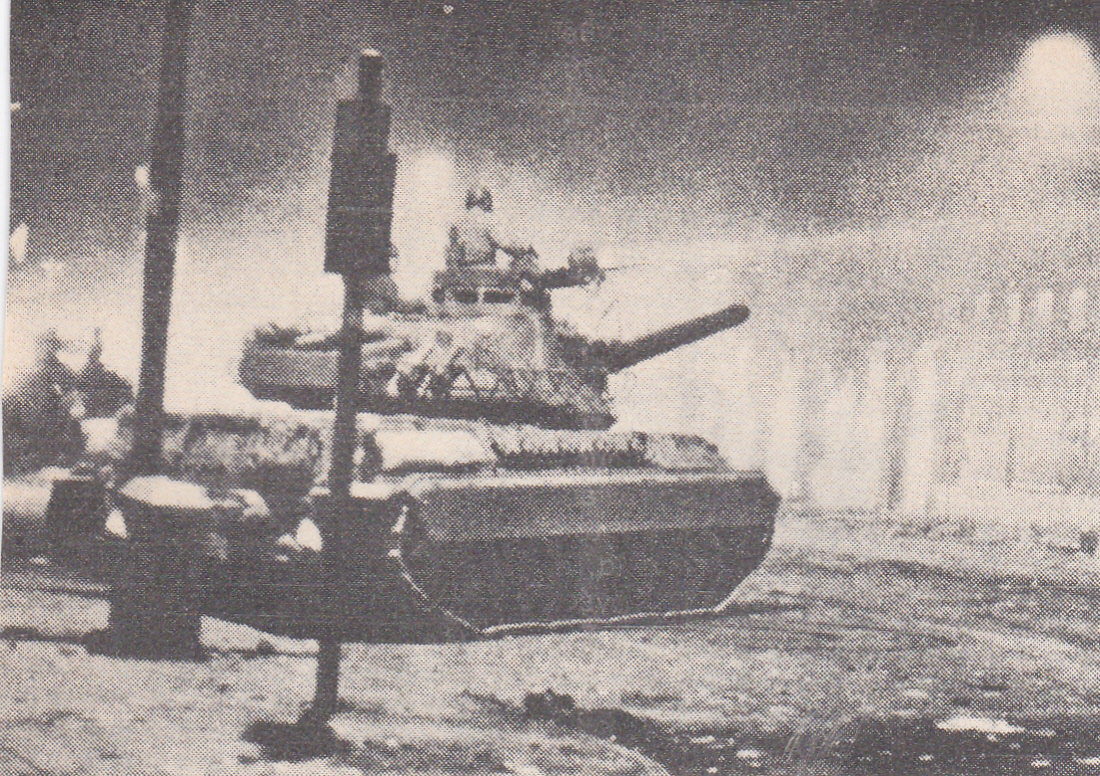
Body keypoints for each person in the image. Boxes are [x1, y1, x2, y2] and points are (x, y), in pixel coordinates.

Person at [447, 187, 536, 273]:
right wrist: (525, 248)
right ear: (485, 200)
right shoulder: (487, 219)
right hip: (484, 270)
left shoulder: (457, 221)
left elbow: (452, 248)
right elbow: (504, 244)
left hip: (461, 271)